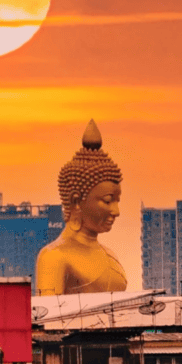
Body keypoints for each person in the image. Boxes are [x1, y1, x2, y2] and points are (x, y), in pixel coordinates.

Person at [36, 120, 127, 295]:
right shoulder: (54, 257)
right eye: (108, 201)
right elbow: (48, 316)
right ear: (76, 201)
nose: (116, 211)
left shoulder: (110, 255)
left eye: (117, 201)